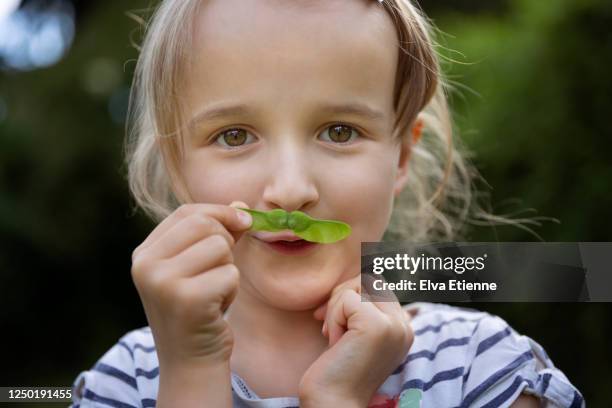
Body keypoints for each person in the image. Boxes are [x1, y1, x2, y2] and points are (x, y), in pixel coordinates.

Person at [70, 0, 584, 406]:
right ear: (178, 166)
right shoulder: (125, 384)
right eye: (233, 135)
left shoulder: (484, 367)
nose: (291, 189)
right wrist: (192, 372)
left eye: (339, 131)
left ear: (401, 156)